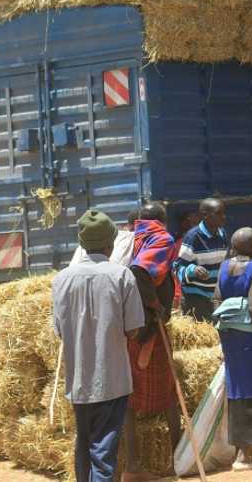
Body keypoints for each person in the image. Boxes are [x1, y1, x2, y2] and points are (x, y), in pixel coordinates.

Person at [52, 209, 145, 482]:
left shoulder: (62, 279)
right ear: (111, 243)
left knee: (84, 447)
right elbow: (134, 329)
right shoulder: (122, 276)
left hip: (78, 382)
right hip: (112, 380)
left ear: (82, 244)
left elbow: (59, 330)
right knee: (103, 454)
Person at [122, 203, 180, 482]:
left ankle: (132, 464)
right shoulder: (161, 237)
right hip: (150, 328)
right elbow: (140, 271)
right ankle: (178, 459)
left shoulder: (128, 238)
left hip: (129, 330)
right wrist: (155, 304)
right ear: (161, 220)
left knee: (129, 399)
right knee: (169, 393)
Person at [214, 228, 252, 471]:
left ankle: (240, 451)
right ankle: (245, 455)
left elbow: (217, 300)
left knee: (237, 389)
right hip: (251, 335)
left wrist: (224, 333)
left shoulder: (223, 267)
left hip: (229, 335)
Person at [173, 198, 228, 321]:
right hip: (195, 299)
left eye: (224, 213)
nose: (223, 217)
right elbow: (177, 268)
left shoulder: (222, 234)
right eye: (218, 213)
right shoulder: (193, 237)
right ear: (205, 215)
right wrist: (193, 270)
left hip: (215, 297)